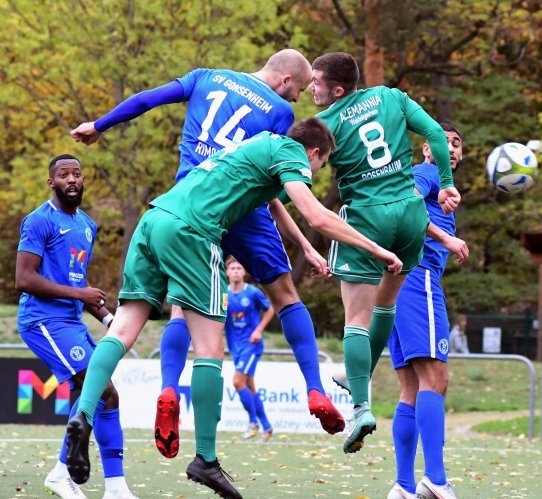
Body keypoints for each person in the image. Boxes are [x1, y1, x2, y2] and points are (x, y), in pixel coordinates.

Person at [65, 118, 403, 499]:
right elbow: (317, 216)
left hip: (154, 219)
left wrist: (306, 249)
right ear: (313, 153)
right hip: (192, 232)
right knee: (210, 349)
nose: (314, 174)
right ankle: (205, 459)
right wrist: (376, 249)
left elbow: (273, 202)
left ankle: (83, 415)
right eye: (320, 166)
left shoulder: (260, 143)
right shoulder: (293, 154)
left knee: (122, 331)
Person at [70, 50, 346, 460]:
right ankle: (313, 389)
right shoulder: (278, 113)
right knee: (285, 296)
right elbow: (266, 180)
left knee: (179, 308)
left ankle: (166, 387)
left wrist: (100, 125)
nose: (297, 100)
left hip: (184, 198)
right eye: (300, 91)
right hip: (236, 211)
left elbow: (148, 98)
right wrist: (306, 244)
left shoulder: (206, 76)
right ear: (287, 81)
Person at [310, 52, 461, 455]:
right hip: (410, 217)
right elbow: (432, 133)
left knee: (356, 318)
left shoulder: (325, 124)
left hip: (366, 218)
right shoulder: (391, 97)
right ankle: (361, 373)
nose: (311, 87)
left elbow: (305, 170)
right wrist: (445, 183)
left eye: (316, 82)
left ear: (337, 90)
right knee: (385, 305)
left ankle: (360, 406)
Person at [16, 155, 160, 499]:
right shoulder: (38, 221)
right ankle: (67, 474)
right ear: (52, 182)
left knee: (104, 396)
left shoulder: (87, 226)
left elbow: (78, 285)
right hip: (42, 321)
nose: (72, 180)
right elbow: (25, 279)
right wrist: (81, 296)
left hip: (70, 322)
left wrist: (111, 320)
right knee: (99, 388)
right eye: (63, 175)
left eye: (77, 174)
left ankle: (111, 488)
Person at [383, 124, 472, 499]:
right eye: (444, 141)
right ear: (427, 148)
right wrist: (448, 241)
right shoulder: (427, 174)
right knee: (436, 378)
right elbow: (407, 208)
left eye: (457, 144)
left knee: (412, 387)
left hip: (400, 283)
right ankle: (435, 479)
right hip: (418, 277)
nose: (450, 148)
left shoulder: (441, 184)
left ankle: (404, 486)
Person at [225, 256, 275, 442]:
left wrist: (259, 330)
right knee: (250, 386)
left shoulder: (252, 292)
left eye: (239, 268)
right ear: (227, 272)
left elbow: (271, 309)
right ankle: (267, 426)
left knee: (238, 382)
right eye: (233, 268)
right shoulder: (224, 294)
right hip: (235, 346)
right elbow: (221, 317)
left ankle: (253, 422)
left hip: (251, 345)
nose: (236, 271)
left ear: (244, 272)